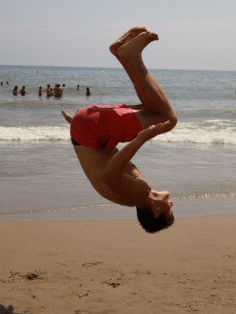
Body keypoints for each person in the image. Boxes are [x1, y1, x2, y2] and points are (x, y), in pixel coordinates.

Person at [61, 27, 176, 233]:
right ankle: (121, 52)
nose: (172, 205)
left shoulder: (138, 195)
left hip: (91, 132)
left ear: (157, 212)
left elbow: (108, 176)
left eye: (170, 211)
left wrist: (140, 140)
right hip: (88, 132)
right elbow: (109, 157)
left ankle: (129, 55)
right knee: (154, 110)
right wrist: (78, 127)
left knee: (169, 119)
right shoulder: (136, 191)